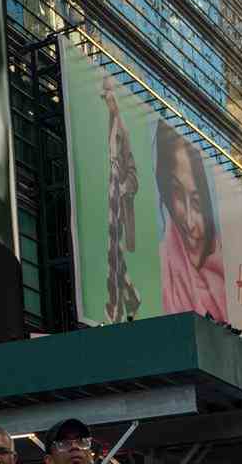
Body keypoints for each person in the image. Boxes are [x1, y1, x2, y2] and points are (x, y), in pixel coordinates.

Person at [154, 120, 227, 321]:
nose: (188, 221)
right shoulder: (160, 271)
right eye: (177, 192)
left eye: (196, 202)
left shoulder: (228, 280)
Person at [102, 75, 140, 323]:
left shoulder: (123, 129)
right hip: (111, 191)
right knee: (113, 253)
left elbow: (134, 173)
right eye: (104, 96)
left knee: (113, 252)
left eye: (108, 95)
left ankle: (114, 306)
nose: (106, 99)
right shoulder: (111, 122)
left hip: (120, 195)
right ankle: (132, 298)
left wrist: (124, 187)